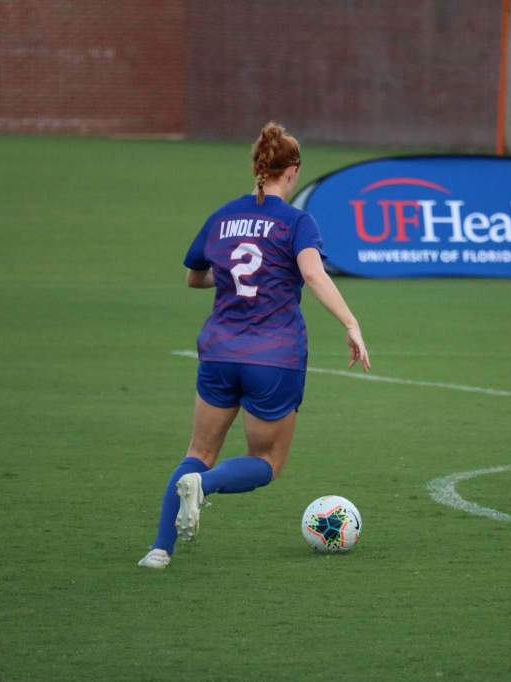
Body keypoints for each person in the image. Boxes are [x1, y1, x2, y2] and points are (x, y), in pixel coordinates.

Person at [138, 121, 371, 569]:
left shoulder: (223, 216)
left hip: (220, 351)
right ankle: (206, 487)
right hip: (274, 357)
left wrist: (229, 277)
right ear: (292, 171)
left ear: (258, 167)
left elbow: (194, 277)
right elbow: (313, 273)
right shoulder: (296, 221)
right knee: (266, 460)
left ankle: (159, 549)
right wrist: (350, 322)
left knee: (197, 453)